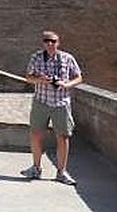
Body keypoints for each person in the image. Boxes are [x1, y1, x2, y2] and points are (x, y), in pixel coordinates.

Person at [21, 30, 83, 185]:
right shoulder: (36, 57)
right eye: (47, 40)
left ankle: (61, 172)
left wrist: (66, 84)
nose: (50, 43)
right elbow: (28, 77)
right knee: (35, 134)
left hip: (61, 102)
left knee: (62, 137)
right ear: (43, 42)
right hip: (41, 101)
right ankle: (36, 168)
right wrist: (40, 79)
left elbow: (79, 77)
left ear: (58, 43)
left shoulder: (67, 58)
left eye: (53, 41)